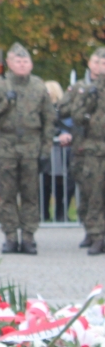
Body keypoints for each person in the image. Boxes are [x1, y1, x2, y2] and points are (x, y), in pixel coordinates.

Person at [0, 43, 55, 255]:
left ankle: (29, 236)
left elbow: (49, 119)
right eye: (18, 61)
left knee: (31, 194)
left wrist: (45, 150)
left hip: (31, 144)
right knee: (8, 193)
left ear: (31, 64)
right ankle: (10, 236)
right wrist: (4, 103)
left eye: (26, 61)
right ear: (9, 64)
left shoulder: (39, 86)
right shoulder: (0, 85)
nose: (22, 64)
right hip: (7, 144)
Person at [59, 49, 105, 248]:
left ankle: (99, 233)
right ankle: (92, 231)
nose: (100, 66)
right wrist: (84, 101)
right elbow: (62, 111)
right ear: (90, 64)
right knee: (89, 192)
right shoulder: (79, 87)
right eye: (96, 61)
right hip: (84, 147)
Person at [42, 81, 73, 223]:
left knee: (60, 183)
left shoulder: (62, 110)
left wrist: (63, 133)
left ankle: (60, 213)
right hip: (46, 150)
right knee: (44, 182)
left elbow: (68, 125)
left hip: (60, 151)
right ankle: (44, 213)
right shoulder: (41, 109)